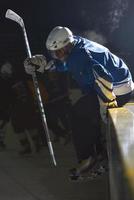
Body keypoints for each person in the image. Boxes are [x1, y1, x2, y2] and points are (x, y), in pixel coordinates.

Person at [24, 26, 134, 179]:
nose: (57, 55)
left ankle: (88, 157)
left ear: (67, 45)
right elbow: (66, 63)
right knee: (86, 113)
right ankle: (99, 151)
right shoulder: (75, 42)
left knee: (77, 114)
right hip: (120, 82)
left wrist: (107, 103)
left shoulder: (81, 56)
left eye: (59, 52)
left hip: (115, 88)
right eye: (54, 53)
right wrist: (46, 65)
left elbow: (102, 76)